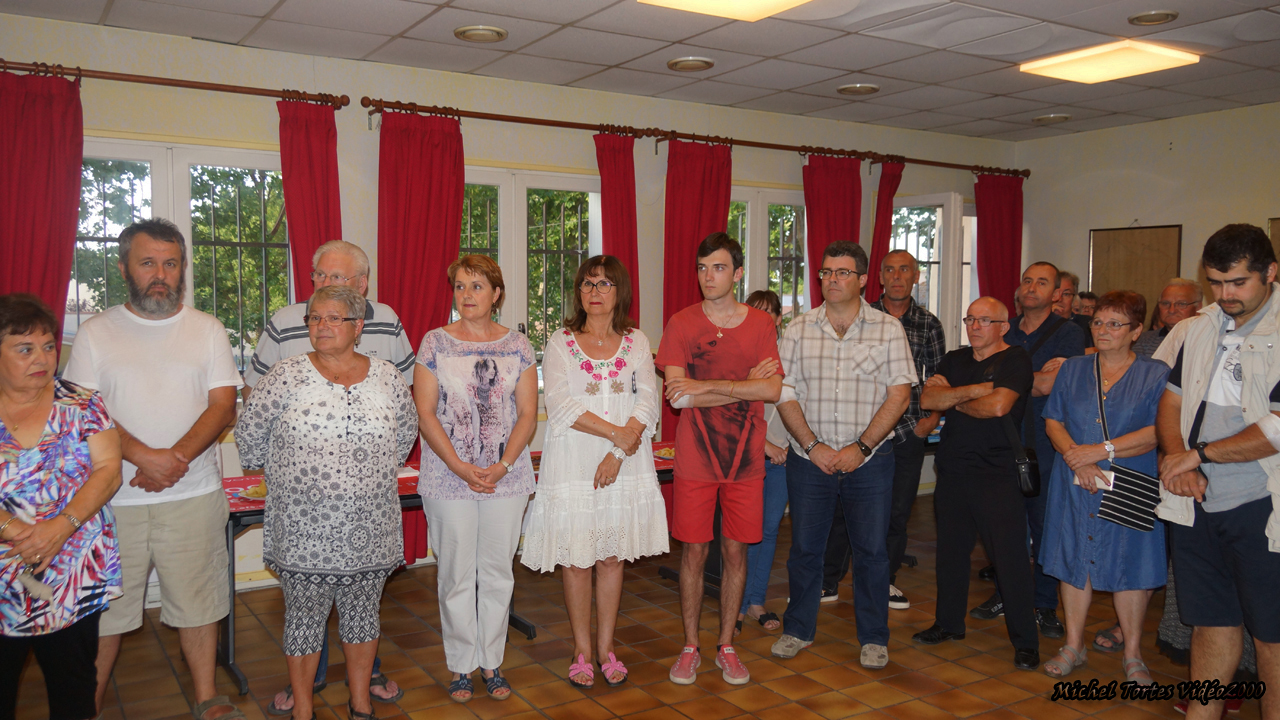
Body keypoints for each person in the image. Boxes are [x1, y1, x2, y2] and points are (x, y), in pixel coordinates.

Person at [63, 219, 244, 720]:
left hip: (194, 493)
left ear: (182, 269)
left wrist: (175, 460)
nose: (160, 274)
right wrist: (146, 457)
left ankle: (207, 697)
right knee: (106, 616)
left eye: (170, 264)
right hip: (111, 500)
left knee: (200, 604)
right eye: (148, 263)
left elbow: (222, 405)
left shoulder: (207, 329)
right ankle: (88, 707)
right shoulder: (97, 333)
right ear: (125, 268)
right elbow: (84, 410)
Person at [242, 240, 413, 713]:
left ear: (358, 327)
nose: (322, 326)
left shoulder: (386, 377)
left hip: (369, 528)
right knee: (302, 621)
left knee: (362, 619)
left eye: (334, 318)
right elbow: (251, 440)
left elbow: (403, 436)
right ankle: (303, 708)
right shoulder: (285, 375)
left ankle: (361, 704)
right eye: (315, 318)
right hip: (304, 530)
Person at [521, 256, 668, 688]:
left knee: (610, 557)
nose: (595, 292)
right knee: (578, 560)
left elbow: (648, 402)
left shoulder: (636, 341)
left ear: (619, 291)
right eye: (587, 284)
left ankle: (606, 648)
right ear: (578, 292)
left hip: (623, 464)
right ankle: (581, 650)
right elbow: (562, 406)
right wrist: (617, 436)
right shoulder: (560, 342)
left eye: (604, 284)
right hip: (574, 464)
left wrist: (619, 451)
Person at [771, 241, 914, 670]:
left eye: (842, 273)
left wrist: (862, 447)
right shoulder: (797, 328)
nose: (832, 280)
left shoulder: (888, 329)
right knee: (805, 550)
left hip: (869, 462)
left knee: (871, 551)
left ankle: (873, 637)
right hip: (807, 459)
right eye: (826, 272)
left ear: (863, 279)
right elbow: (784, 392)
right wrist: (813, 446)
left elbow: (900, 394)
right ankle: (798, 629)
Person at [1156, 224, 1280, 720]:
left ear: (1271, 273)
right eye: (1216, 283)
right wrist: (1177, 459)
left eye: (1237, 284)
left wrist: (1198, 455)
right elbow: (1171, 402)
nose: (1225, 295)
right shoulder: (1201, 325)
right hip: (1200, 500)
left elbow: (1275, 428)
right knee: (1211, 622)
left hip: (1263, 504)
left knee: (1271, 634)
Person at [655, 233, 782, 686]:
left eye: (719, 268)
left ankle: (726, 645)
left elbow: (771, 390)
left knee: (735, 551)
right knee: (694, 552)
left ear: (738, 273)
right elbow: (677, 398)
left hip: (746, 461)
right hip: (696, 460)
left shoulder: (761, 325)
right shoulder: (682, 322)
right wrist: (743, 381)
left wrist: (718, 385)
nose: (709, 276)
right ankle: (690, 646)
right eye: (703, 268)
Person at [413, 255, 538, 704]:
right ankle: (462, 666)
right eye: (461, 287)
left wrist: (502, 464)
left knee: (497, 573)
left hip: (506, 476)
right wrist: (459, 467)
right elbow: (425, 413)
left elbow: (527, 414)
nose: (467, 295)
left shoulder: (519, 346)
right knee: (456, 574)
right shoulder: (434, 343)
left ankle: (491, 660)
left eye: (477, 286)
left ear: (496, 294)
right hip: (449, 477)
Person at [0, 295, 122, 720]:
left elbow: (108, 471)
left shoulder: (83, 402)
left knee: (73, 689)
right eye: (25, 348)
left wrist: (60, 528)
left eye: (49, 346)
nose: (43, 358)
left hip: (71, 569)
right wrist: (14, 529)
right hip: (3, 570)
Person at [1039, 291, 1169, 683]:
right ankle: (1073, 645)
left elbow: (1159, 430)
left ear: (1136, 331)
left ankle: (1132, 654)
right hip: (1077, 480)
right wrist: (1078, 457)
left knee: (1130, 564)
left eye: (1115, 323)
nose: (1104, 330)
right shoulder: (1075, 368)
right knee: (1073, 559)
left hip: (1130, 481)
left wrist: (1102, 450)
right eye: (1098, 322)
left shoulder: (1156, 373)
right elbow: (1053, 420)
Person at [913, 297, 1040, 671]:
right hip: (952, 471)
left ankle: (1025, 641)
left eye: (985, 320)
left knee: (1010, 560)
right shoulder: (955, 359)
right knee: (950, 554)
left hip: (998, 474)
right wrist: (974, 391)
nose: (975, 325)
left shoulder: (1016, 359)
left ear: (1003, 326)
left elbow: (999, 407)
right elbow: (928, 398)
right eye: (970, 318)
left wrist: (953, 398)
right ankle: (948, 624)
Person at [821, 249, 944, 611]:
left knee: (896, 512)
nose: (896, 276)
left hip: (906, 433)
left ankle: (883, 582)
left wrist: (930, 421)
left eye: (904, 270)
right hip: (857, 434)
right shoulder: (861, 316)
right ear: (877, 277)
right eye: (889, 270)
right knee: (843, 512)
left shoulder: (929, 324)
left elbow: (938, 380)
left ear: (915, 276)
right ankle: (829, 580)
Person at [973, 262, 1086, 639]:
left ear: (1057, 293)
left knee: (1043, 528)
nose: (1032, 287)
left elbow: (1053, 386)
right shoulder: (1003, 328)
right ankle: (1006, 594)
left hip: (1045, 445)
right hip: (999, 439)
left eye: (1042, 282)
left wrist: (1006, 383)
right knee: (1003, 528)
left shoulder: (1070, 333)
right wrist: (1018, 382)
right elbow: (981, 378)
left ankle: (1042, 604)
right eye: (1026, 280)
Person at [737, 289, 788, 633]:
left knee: (768, 532)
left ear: (779, 319)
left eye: (770, 313)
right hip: (747, 457)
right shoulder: (738, 355)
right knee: (741, 534)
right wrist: (765, 444)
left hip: (784, 459)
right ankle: (736, 607)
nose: (763, 318)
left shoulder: (790, 355)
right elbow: (731, 411)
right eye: (756, 311)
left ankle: (756, 602)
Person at [1132, 279, 1203, 359]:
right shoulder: (1143, 341)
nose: (1171, 310)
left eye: (1181, 304)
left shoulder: (1206, 341)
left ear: (1198, 308)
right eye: (1165, 303)